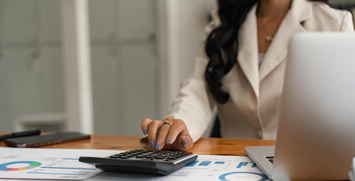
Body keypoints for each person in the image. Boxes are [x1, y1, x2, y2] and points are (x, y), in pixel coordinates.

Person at [141, 0, 354, 151]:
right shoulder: (223, 22)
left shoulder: (335, 24)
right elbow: (199, 88)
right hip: (232, 165)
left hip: (303, 168)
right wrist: (181, 123)